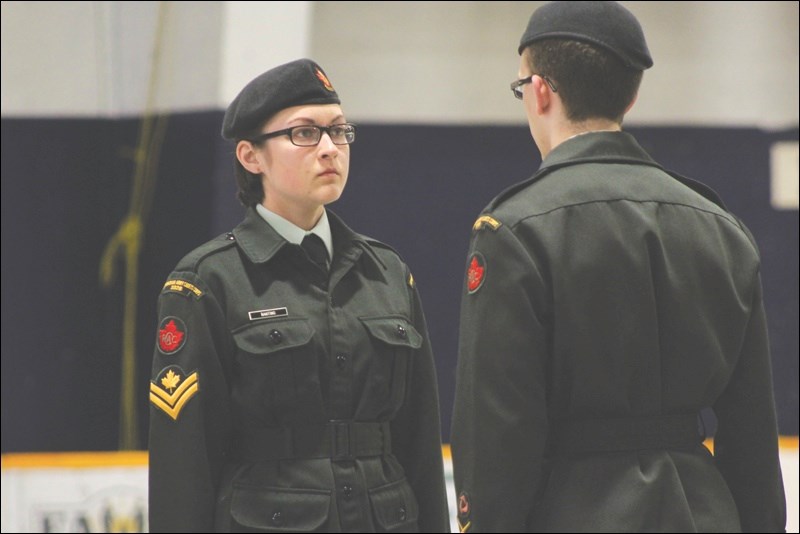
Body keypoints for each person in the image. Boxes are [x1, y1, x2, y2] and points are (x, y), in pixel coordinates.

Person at [450, 2, 787, 532]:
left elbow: (497, 430)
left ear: (540, 91)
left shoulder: (516, 231)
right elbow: (751, 433)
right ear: (631, 95)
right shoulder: (722, 229)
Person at [148, 58, 450, 532]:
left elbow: (420, 438)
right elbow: (183, 461)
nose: (330, 148)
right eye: (305, 133)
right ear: (251, 156)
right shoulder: (209, 281)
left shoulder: (387, 272)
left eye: (339, 130)